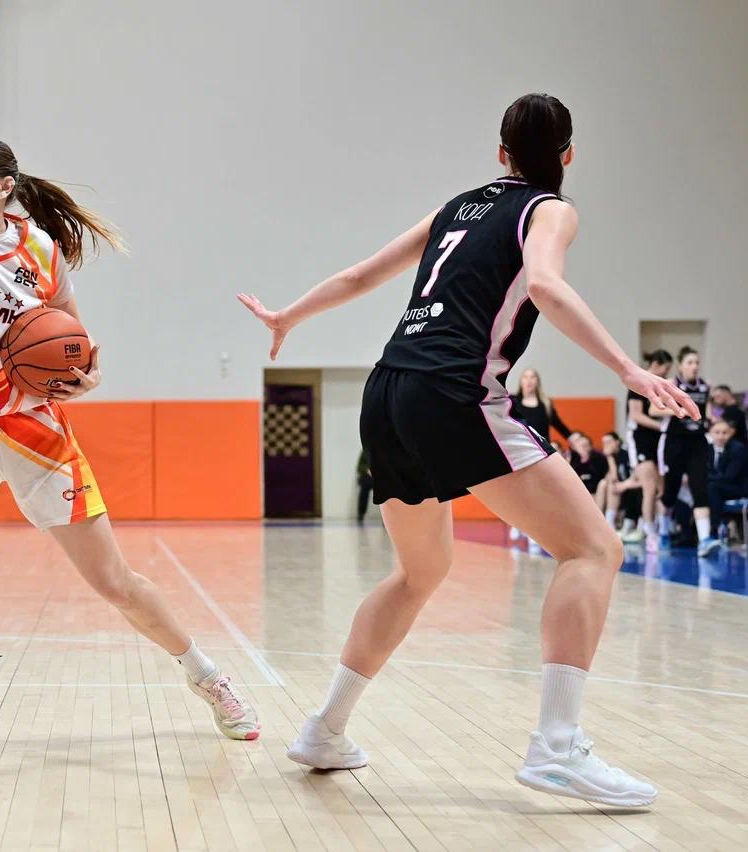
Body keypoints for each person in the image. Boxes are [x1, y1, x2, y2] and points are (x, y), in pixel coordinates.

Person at [240, 93, 697, 807]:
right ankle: (557, 747)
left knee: (420, 571)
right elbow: (543, 283)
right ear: (568, 156)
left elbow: (362, 276)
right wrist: (628, 370)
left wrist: (288, 316)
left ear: (500, 154)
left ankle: (325, 729)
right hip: (454, 391)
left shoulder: (456, 207)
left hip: (387, 390)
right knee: (594, 550)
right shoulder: (550, 209)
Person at [0, 136, 260, 744]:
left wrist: (87, 375)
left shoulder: (39, 249)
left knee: (115, 583)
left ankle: (207, 677)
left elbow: (74, 338)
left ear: (4, 186)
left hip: (35, 434)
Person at [656, 347, 717, 556]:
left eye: (697, 362)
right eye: (690, 362)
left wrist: (713, 421)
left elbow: (707, 412)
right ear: (681, 365)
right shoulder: (671, 384)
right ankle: (663, 532)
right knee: (670, 493)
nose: (694, 366)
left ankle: (705, 540)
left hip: (697, 443)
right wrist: (678, 410)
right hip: (674, 443)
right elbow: (653, 409)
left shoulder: (706, 386)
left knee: (700, 490)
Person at [507, 368, 572, 553]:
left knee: (540, 494)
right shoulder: (513, 402)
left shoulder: (546, 404)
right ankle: (519, 523)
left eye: (532, 377)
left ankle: (536, 532)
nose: (529, 380)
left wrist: (574, 438)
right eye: (525, 377)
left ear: (537, 381)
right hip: (520, 453)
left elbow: (560, 426)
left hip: (541, 453)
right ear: (521, 381)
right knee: (521, 493)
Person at [625, 349, 673, 552]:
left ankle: (663, 529)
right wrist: (661, 426)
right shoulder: (638, 384)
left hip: (657, 442)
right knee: (649, 486)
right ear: (656, 364)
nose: (667, 372)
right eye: (666, 368)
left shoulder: (661, 386)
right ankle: (649, 530)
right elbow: (636, 415)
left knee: (661, 487)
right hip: (639, 439)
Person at [707, 419, 748, 537]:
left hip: (737, 488)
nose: (720, 437)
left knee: (712, 487)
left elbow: (729, 477)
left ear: (731, 433)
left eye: (724, 433)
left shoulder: (738, 449)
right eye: (717, 432)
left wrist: (706, 478)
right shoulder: (707, 449)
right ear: (710, 433)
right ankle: (688, 532)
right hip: (716, 487)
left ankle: (716, 528)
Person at [601, 431, 643, 541]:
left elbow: (640, 479)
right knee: (610, 486)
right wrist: (610, 458)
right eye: (604, 443)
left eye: (608, 442)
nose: (606, 445)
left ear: (617, 442)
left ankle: (637, 528)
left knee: (628, 490)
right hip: (624, 490)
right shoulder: (611, 458)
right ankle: (609, 524)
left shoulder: (628, 454)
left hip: (636, 488)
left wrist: (624, 485)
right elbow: (613, 478)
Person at [567, 432, 609, 505]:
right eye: (581, 446)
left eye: (586, 445)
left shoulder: (598, 457)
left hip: (595, 491)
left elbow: (600, 476)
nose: (583, 448)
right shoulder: (574, 459)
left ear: (590, 446)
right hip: (580, 493)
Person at [356, 448, 373, 523]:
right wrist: (367, 470)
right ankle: (361, 513)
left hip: (381, 476)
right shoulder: (365, 450)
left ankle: (386, 517)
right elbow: (359, 467)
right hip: (368, 476)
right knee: (364, 490)